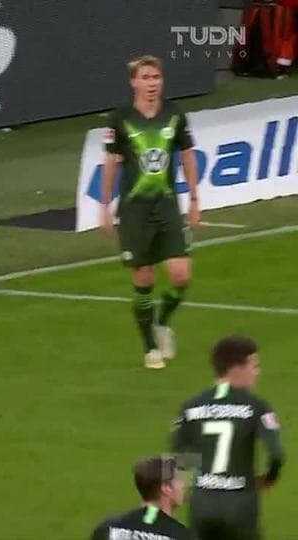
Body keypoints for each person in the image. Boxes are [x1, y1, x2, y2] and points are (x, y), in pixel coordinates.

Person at [99, 55, 202, 370]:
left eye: (156, 77)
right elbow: (111, 162)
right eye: (145, 77)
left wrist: (194, 199)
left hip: (167, 206)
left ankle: (163, 322)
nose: (152, 83)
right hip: (135, 211)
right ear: (134, 82)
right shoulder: (119, 119)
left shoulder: (174, 114)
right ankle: (149, 348)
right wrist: (104, 205)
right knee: (144, 277)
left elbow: (187, 155)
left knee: (181, 275)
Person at [170, 335, 285, 540]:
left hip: (202, 504)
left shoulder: (191, 406)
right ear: (237, 368)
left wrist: (185, 486)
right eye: (254, 366)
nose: (257, 372)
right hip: (240, 506)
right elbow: (276, 454)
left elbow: (178, 457)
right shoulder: (256, 406)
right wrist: (269, 478)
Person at [90, 455, 197, 540]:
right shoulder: (181, 535)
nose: (185, 486)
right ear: (166, 488)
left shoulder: (108, 527)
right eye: (181, 481)